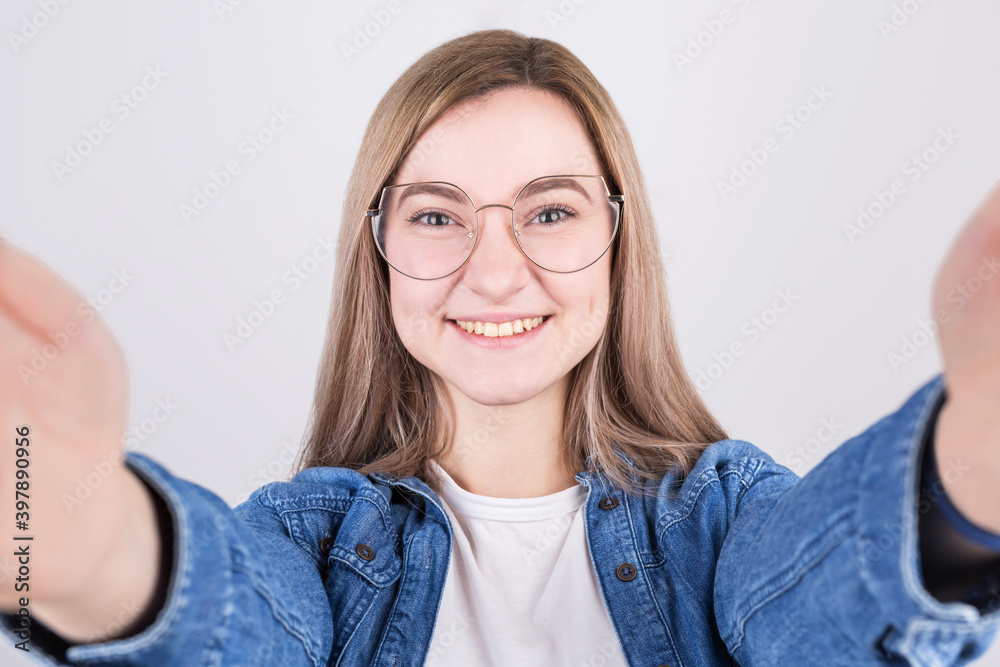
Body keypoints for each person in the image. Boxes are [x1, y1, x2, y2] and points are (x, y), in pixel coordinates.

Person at [2, 28, 1000, 666]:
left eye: (549, 212)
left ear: (618, 242)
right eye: (437, 217)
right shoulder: (304, 541)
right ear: (379, 252)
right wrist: (67, 534)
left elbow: (822, 603)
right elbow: (235, 626)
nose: (493, 271)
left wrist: (977, 458)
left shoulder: (722, 519)